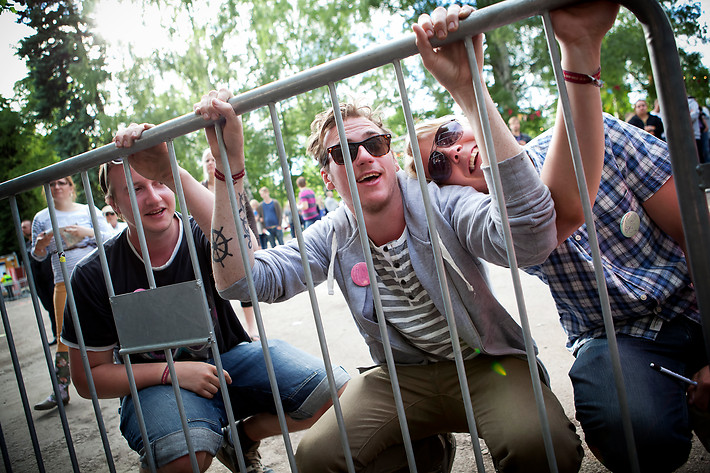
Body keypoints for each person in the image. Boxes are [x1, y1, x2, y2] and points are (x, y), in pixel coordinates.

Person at [198, 2, 622, 469]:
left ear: (392, 157)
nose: (362, 157)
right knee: (316, 456)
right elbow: (242, 283)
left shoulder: (441, 202)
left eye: (374, 145)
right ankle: (424, 450)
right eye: (343, 152)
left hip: (488, 364)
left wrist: (470, 90)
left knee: (542, 445)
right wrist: (227, 171)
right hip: (402, 380)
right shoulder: (332, 234)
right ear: (327, 176)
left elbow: (531, 238)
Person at [406, 16, 708, 473]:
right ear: (448, 191)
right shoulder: (489, 224)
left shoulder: (597, 130)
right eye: (438, 166)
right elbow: (550, 213)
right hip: (620, 336)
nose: (452, 152)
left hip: (695, 304)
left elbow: (698, 233)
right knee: (634, 432)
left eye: (448, 135)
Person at [60, 129, 349, 473]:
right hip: (155, 385)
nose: (154, 198)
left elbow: (246, 253)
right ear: (114, 206)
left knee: (337, 393)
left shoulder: (202, 234)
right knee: (186, 457)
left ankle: (239, 439)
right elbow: (88, 378)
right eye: (136, 189)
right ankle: (171, 450)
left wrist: (174, 170)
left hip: (231, 361)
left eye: (160, 182)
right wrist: (171, 372)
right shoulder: (94, 274)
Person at [31, 176, 111, 411]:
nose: (57, 187)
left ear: (71, 187)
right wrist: (41, 243)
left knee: (111, 324)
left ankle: (125, 373)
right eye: (52, 184)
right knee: (63, 335)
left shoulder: (88, 210)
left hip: (96, 277)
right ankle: (61, 389)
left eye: (62, 182)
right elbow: (37, 256)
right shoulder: (41, 217)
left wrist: (85, 231)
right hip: (62, 281)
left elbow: (109, 237)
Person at [202, 148, 260, 340]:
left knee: (244, 284)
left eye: (213, 159)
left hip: (236, 242)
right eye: (207, 160)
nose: (211, 163)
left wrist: (254, 242)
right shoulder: (200, 188)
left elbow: (247, 214)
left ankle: (252, 327)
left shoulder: (231, 185)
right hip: (209, 246)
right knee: (217, 289)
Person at [22, 219, 56, 344]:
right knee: (49, 308)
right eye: (21, 227)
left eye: (25, 227)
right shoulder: (26, 246)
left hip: (50, 278)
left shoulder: (44, 242)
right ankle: (56, 335)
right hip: (38, 282)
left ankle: (61, 336)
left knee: (56, 308)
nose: (22, 229)